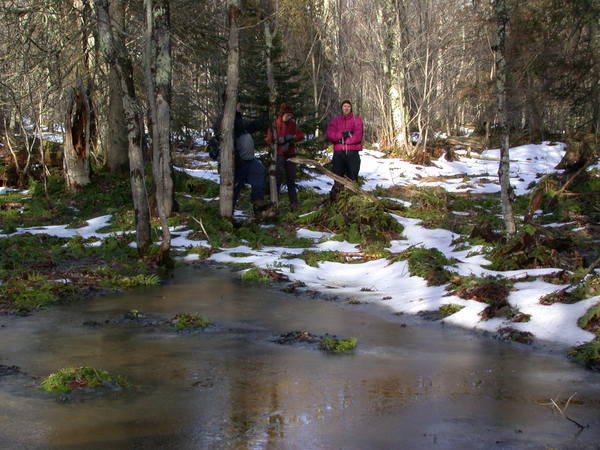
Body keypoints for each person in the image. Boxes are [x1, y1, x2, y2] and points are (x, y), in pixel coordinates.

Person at [213, 101, 272, 218]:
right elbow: (241, 127)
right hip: (235, 162)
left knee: (259, 171)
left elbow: (247, 126)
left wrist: (261, 121)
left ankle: (258, 201)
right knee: (233, 189)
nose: (241, 106)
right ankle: (227, 216)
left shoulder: (237, 118)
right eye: (239, 104)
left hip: (248, 161)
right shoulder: (225, 118)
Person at [266, 102, 305, 211]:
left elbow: (301, 135)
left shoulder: (292, 124)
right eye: (287, 115)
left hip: (290, 155)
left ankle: (294, 204)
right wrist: (279, 140)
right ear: (282, 113)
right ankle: (274, 204)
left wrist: (292, 138)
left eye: (290, 115)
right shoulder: (275, 123)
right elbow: (269, 139)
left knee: (291, 179)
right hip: (279, 155)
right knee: (277, 179)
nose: (289, 117)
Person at [326, 100, 364, 182]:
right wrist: (341, 134)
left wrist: (345, 141)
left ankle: (353, 194)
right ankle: (338, 194)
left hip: (352, 153)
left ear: (351, 108)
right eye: (344, 106)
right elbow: (330, 135)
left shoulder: (357, 120)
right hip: (339, 153)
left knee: (352, 178)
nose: (346, 108)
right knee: (338, 178)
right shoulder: (335, 121)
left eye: (348, 106)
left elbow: (358, 136)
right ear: (341, 108)